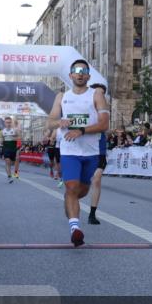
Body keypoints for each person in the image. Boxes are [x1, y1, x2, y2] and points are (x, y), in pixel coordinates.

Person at [47, 59, 111, 247]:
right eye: (76, 71)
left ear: (88, 76)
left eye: (83, 71)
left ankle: (70, 201)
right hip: (69, 151)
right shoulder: (61, 97)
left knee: (80, 191)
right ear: (71, 75)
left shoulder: (97, 94)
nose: (80, 74)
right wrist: (59, 123)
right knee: (72, 187)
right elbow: (49, 122)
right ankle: (75, 229)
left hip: (91, 152)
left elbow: (104, 124)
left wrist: (81, 130)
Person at [87, 84, 110, 225]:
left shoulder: (104, 111)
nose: (100, 96)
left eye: (102, 94)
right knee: (81, 184)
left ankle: (92, 214)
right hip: (84, 150)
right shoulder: (84, 109)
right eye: (97, 93)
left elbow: (105, 126)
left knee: (96, 180)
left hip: (99, 150)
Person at [1, 116, 21, 182]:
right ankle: (9, 176)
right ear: (5, 123)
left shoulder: (15, 130)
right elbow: (2, 140)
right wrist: (1, 144)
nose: (8, 124)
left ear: (11, 123)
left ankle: (15, 172)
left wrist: (13, 138)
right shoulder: (2, 131)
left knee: (12, 163)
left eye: (9, 122)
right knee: (8, 162)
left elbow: (19, 138)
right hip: (6, 149)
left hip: (13, 149)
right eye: (7, 122)